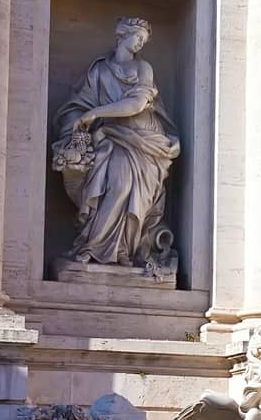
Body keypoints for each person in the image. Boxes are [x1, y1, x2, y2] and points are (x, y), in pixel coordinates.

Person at [51, 17, 181, 270]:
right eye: (138, 37)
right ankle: (94, 246)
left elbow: (137, 104)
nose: (141, 43)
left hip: (144, 144)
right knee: (116, 187)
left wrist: (96, 114)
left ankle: (124, 250)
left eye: (144, 40)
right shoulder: (99, 71)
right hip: (110, 138)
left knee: (132, 194)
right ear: (122, 34)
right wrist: (79, 121)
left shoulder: (143, 68)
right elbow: (78, 106)